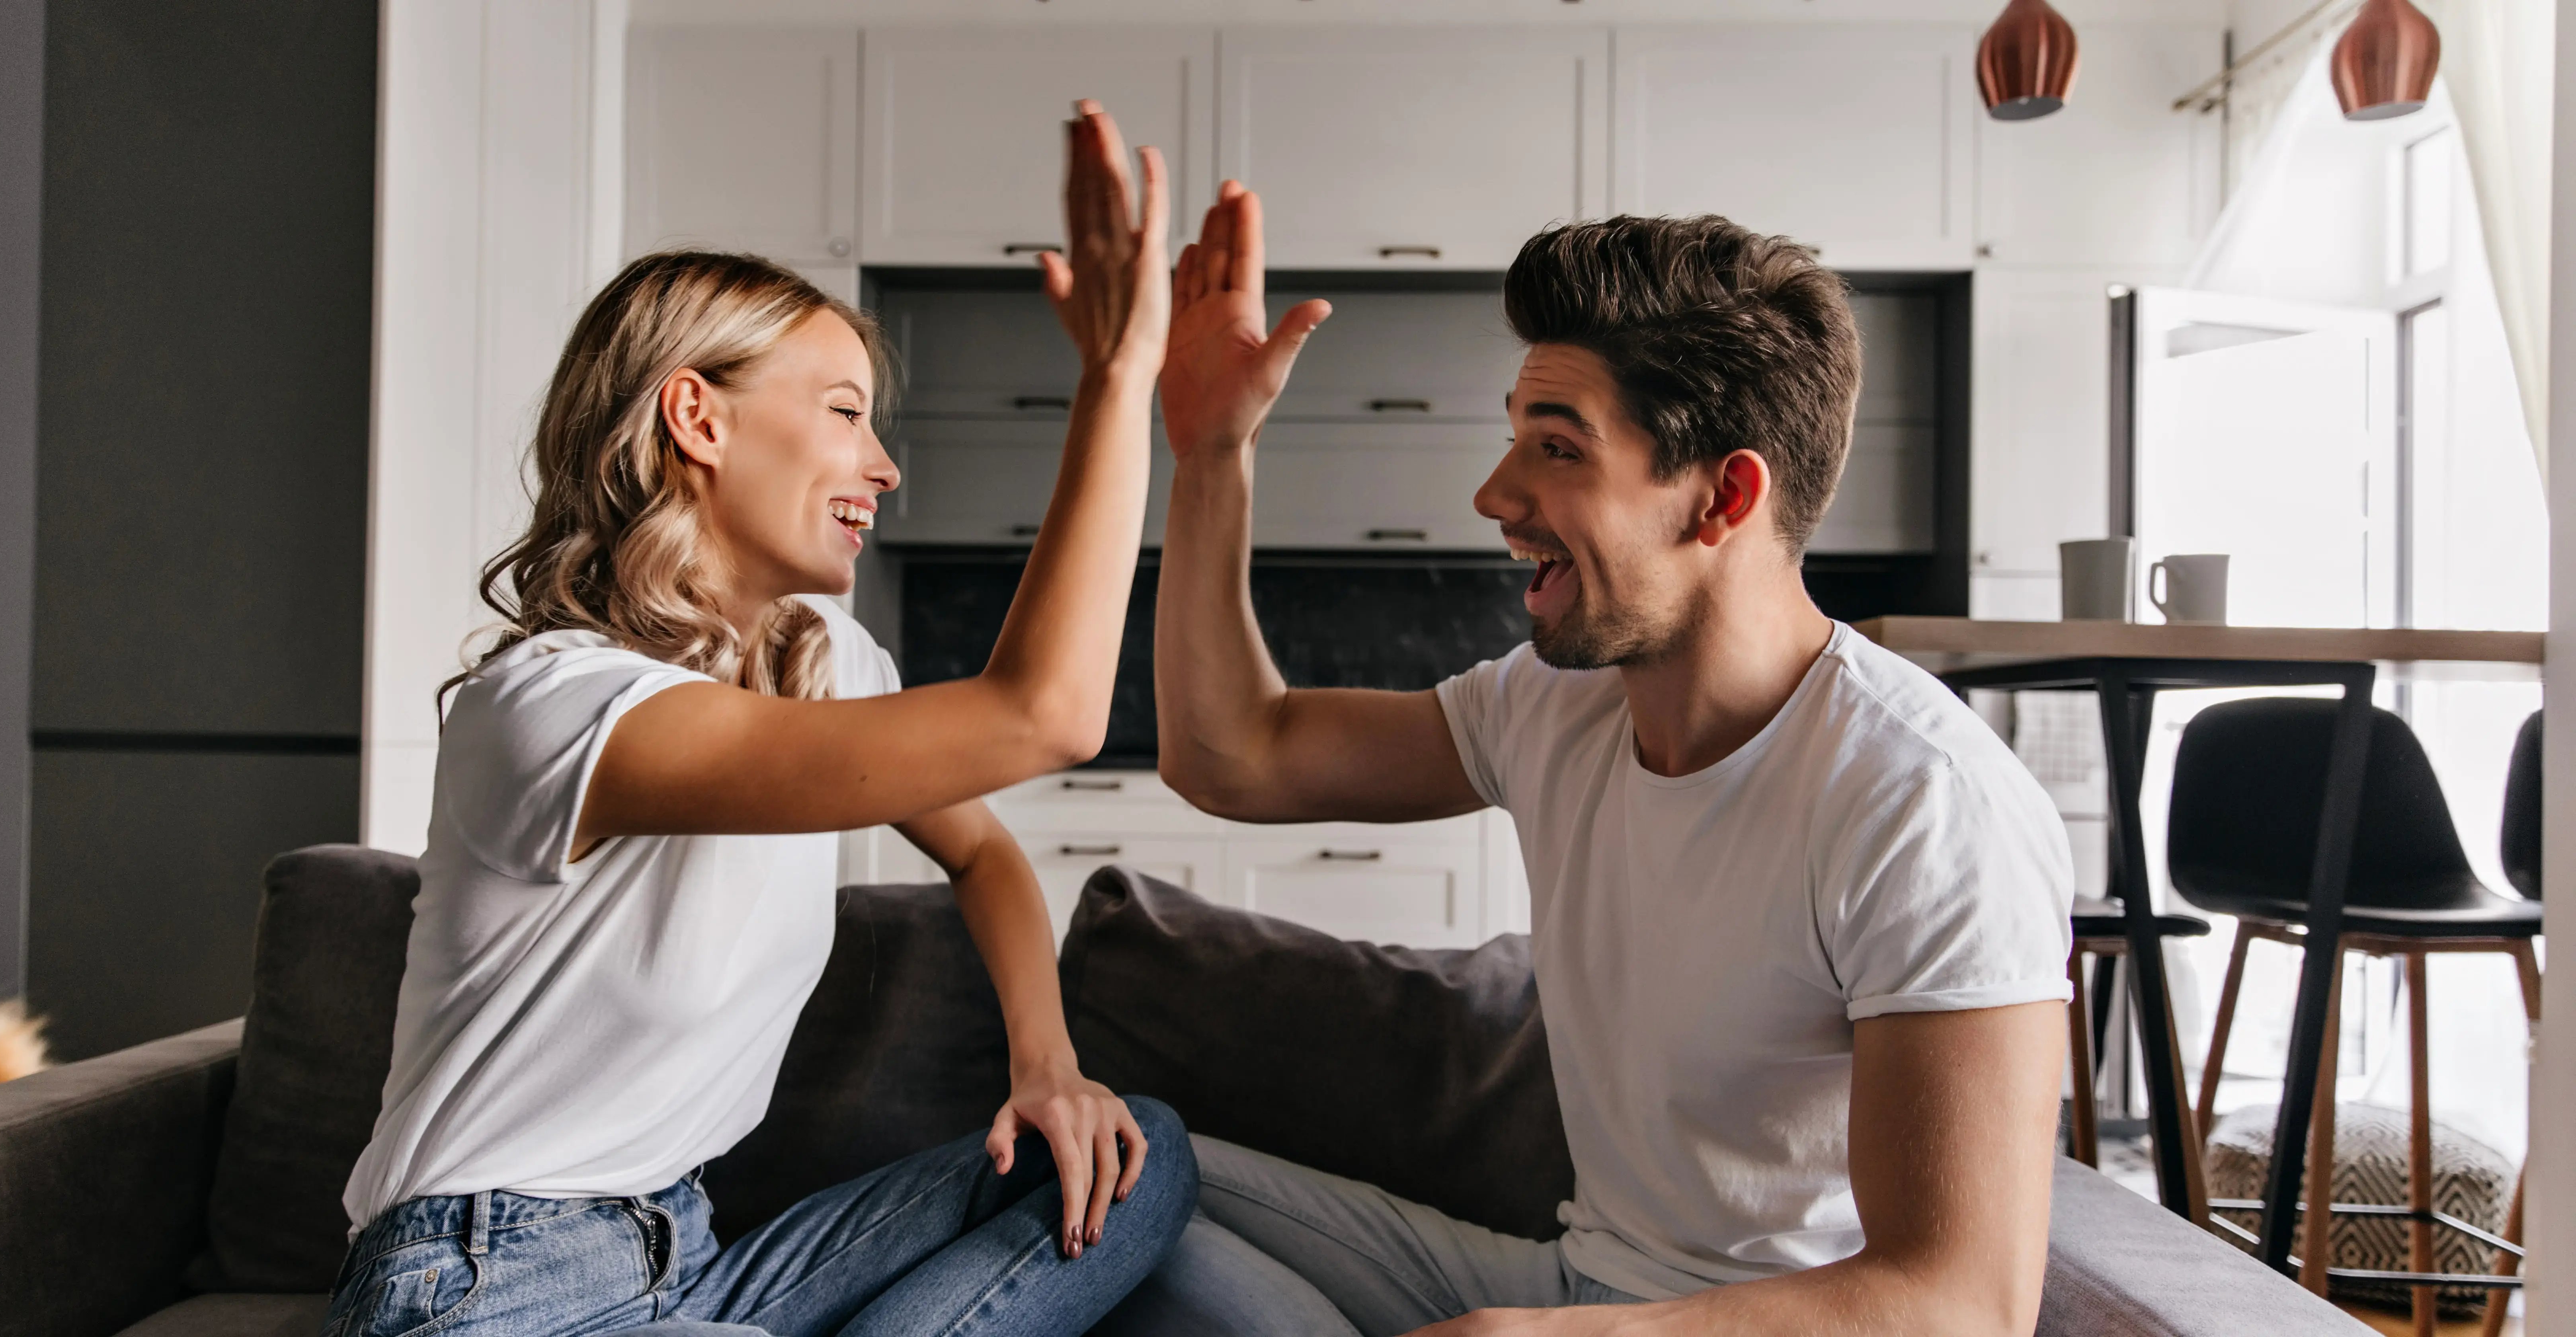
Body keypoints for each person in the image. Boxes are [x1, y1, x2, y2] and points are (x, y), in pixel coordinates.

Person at [1124, 189, 2076, 1336]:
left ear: (1723, 497)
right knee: (1114, 1172)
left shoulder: (1922, 802)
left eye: (1557, 447)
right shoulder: (1556, 707)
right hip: (1575, 1289)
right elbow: (1237, 757)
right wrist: (1210, 453)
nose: (1497, 496)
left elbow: (1962, 1305)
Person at [326, 103, 1194, 1337]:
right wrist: (1119, 381)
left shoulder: (823, 659)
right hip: (484, 1290)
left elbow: (986, 849)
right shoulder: (566, 711)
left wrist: (1045, 1067)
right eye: (845, 411)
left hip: (677, 1257)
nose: (884, 465)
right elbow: (1042, 716)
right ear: (698, 418)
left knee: (1127, 1148)